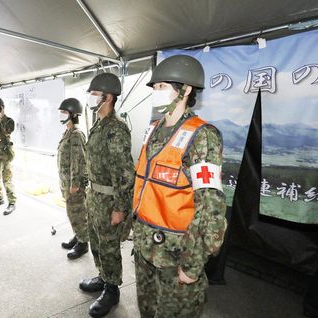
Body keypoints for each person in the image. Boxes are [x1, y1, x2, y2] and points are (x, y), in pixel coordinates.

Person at [132, 55, 227, 317]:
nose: (155, 92)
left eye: (162, 87)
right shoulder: (152, 130)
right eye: (154, 87)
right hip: (144, 248)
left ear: (185, 90)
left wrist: (193, 263)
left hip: (176, 255)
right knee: (147, 310)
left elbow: (211, 207)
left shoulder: (202, 135)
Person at [79, 73, 135, 317]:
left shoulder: (116, 129)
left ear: (108, 97)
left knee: (110, 246)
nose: (90, 98)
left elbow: (124, 173)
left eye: (94, 94)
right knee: (96, 241)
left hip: (110, 200)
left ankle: (112, 290)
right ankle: (103, 277)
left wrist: (120, 208)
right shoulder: (99, 124)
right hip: (95, 197)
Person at [57, 98, 89, 260]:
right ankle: (78, 236)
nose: (61, 115)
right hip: (67, 183)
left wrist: (75, 184)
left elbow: (79, 160)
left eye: (64, 112)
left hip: (74, 185)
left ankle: (83, 244)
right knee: (72, 213)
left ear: (73, 114)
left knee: (77, 213)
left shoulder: (76, 134)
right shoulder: (68, 132)